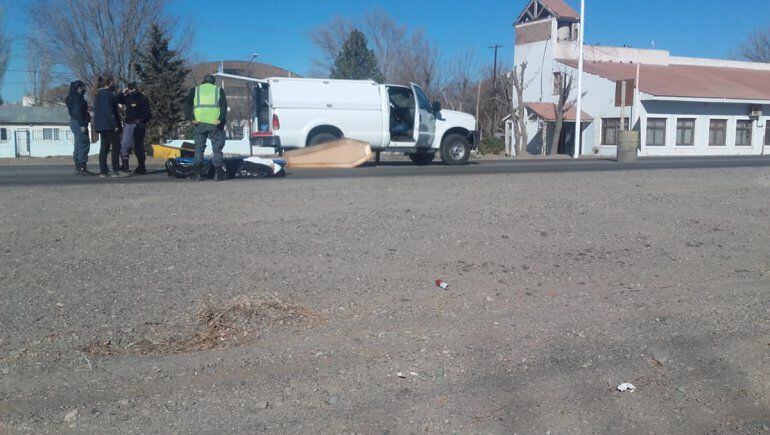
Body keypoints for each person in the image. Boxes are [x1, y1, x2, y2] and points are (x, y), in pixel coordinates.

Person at [184, 74, 228, 181]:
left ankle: (197, 174)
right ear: (213, 82)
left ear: (203, 81)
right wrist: (220, 119)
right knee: (217, 149)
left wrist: (191, 118)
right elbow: (224, 106)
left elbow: (187, 104)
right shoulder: (218, 90)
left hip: (199, 123)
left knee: (199, 148)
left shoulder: (196, 90)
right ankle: (218, 174)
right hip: (214, 123)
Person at [93, 76, 127, 178]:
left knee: (104, 147)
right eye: (112, 82)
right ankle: (115, 169)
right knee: (116, 146)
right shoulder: (106, 94)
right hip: (109, 125)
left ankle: (103, 170)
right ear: (108, 83)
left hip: (101, 125)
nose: (114, 84)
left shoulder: (97, 94)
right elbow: (109, 111)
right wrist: (115, 124)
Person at [117, 82, 152, 174]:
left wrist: (142, 121)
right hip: (128, 124)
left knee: (138, 146)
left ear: (136, 88)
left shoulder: (142, 98)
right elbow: (117, 99)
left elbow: (147, 112)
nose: (131, 89)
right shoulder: (127, 97)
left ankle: (141, 167)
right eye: (130, 88)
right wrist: (123, 92)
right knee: (124, 145)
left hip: (138, 124)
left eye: (133, 88)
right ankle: (125, 166)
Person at [65, 80, 92, 175]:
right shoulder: (78, 98)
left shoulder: (70, 97)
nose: (84, 89)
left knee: (77, 144)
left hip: (73, 121)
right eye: (83, 87)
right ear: (79, 88)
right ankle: (82, 167)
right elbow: (77, 111)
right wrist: (82, 124)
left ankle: (77, 167)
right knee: (83, 143)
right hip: (79, 122)